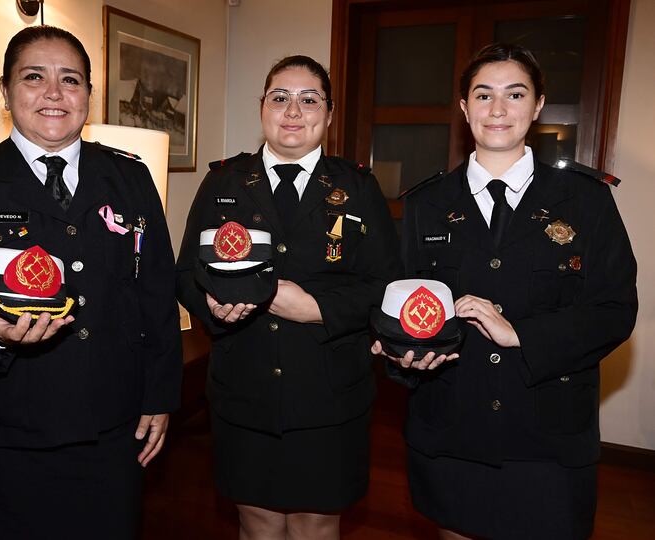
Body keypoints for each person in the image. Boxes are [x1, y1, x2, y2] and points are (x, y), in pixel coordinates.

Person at [0, 26, 182, 539]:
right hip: (10, 431)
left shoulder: (131, 179)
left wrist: (159, 396)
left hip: (113, 429)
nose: (54, 92)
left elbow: (156, 296)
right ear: (6, 91)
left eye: (70, 79)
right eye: (34, 77)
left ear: (89, 97)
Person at [372, 43, 638, 539]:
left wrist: (522, 334)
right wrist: (402, 352)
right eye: (483, 94)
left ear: (537, 105)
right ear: (463, 106)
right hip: (452, 427)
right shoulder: (426, 203)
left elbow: (615, 309)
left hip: (547, 436)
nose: (497, 109)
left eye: (514, 94)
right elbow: (401, 301)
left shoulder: (586, 200)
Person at [176, 55, 401, 539]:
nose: (293, 111)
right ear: (263, 108)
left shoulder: (357, 187)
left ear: (330, 113)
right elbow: (185, 273)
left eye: (308, 99)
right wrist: (211, 305)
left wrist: (318, 308)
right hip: (245, 384)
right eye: (280, 98)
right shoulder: (223, 181)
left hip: (328, 389)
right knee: (254, 520)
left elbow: (388, 287)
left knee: (315, 524)